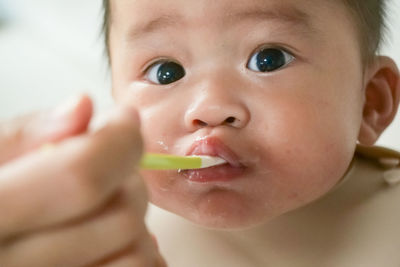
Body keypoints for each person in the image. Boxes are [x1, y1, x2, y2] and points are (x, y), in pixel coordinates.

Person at [1, 0, 400, 266]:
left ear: (370, 102)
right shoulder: (102, 224)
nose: (208, 108)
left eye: (268, 59)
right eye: (166, 71)